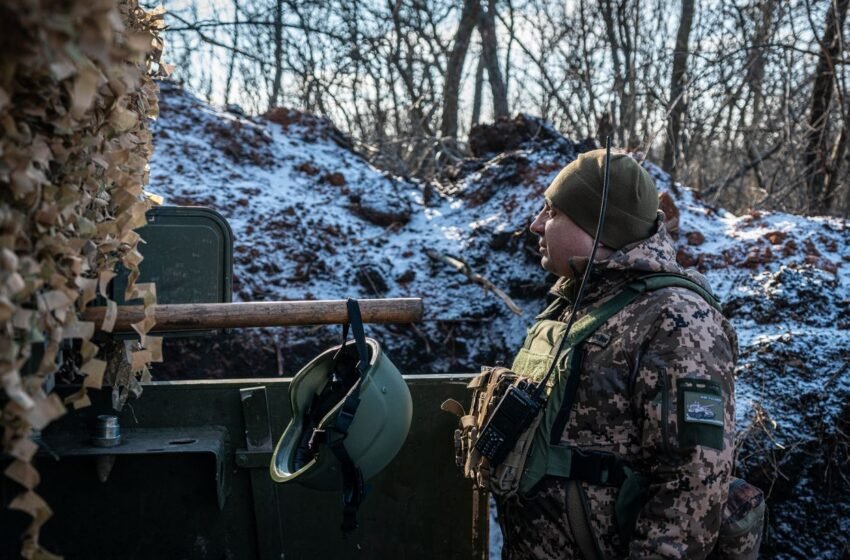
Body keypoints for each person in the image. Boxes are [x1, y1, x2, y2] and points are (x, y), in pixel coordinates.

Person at [495, 149, 762, 559]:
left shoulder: (677, 320)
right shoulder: (578, 302)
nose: (535, 225)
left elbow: (691, 486)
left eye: (551, 212)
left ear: (599, 230)